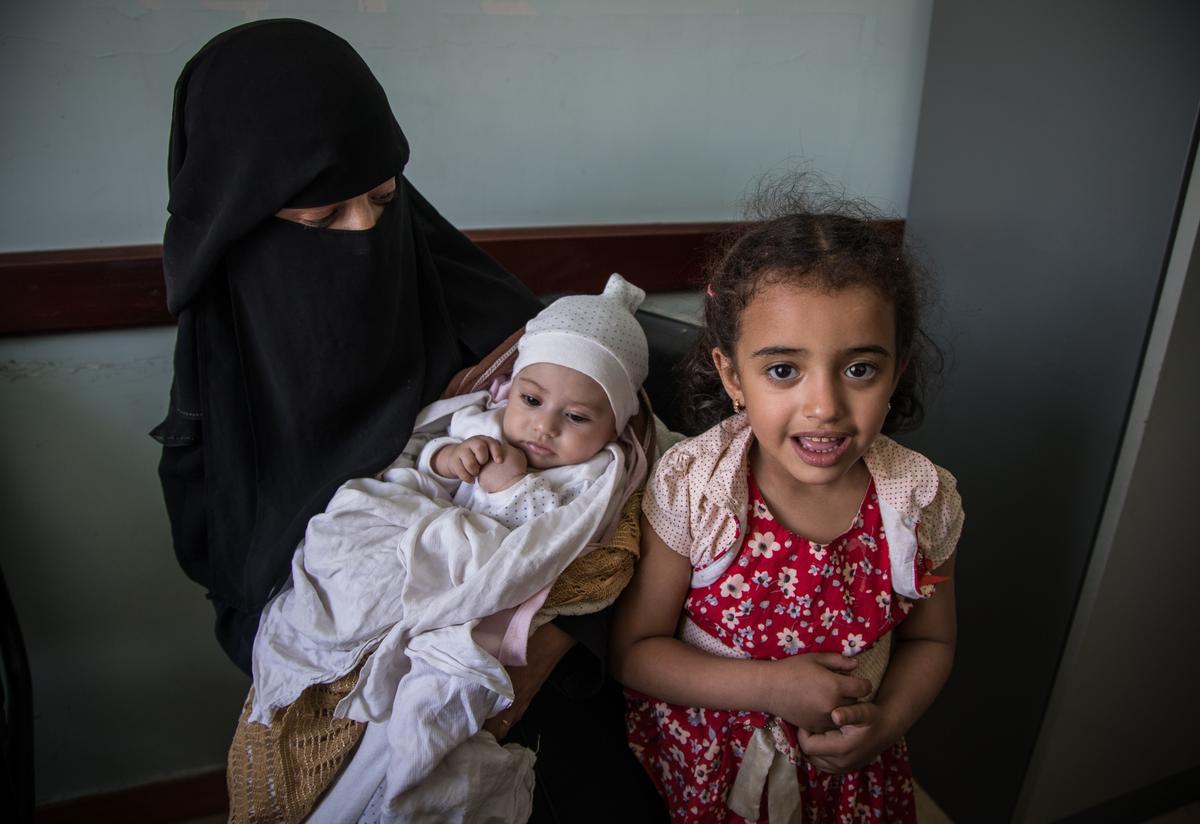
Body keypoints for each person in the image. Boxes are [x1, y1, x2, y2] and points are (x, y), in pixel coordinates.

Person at [150, 18, 662, 823]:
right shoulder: (224, 380)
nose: (365, 231)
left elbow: (621, 482)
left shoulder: (494, 338)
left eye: (385, 199)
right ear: (237, 226)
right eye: (322, 221)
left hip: (538, 707)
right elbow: (237, 579)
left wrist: (531, 655)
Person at [244, 273, 651, 821]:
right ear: (512, 387)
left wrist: (512, 487)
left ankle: (393, 799)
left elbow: (548, 544)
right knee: (340, 543)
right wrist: (448, 460)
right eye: (531, 399)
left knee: (428, 703)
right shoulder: (485, 422)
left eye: (576, 417)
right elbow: (416, 469)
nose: (543, 427)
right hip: (412, 555)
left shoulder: (592, 476)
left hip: (472, 607)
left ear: (615, 425)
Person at [610, 196, 964, 823]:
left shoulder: (920, 501)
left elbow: (931, 640)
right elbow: (636, 651)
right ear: (732, 376)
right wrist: (772, 687)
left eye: (859, 368)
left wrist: (886, 724)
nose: (823, 404)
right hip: (709, 768)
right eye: (782, 370)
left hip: (850, 779)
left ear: (896, 372)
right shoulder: (697, 488)